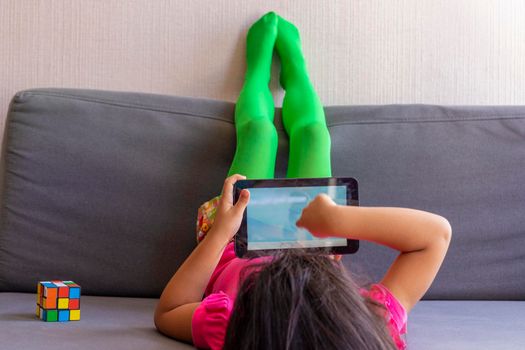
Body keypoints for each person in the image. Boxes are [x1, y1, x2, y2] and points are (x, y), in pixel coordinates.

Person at [154, 12, 452, 350]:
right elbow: (435, 236)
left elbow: (170, 310)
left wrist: (222, 231)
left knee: (259, 134)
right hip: (315, 240)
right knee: (314, 136)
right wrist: (338, 220)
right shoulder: (372, 327)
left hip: (236, 239)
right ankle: (296, 72)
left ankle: (258, 71)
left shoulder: (232, 329)